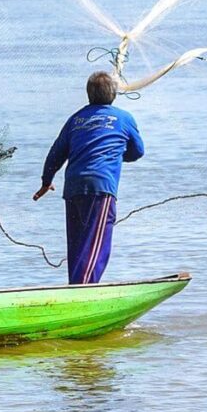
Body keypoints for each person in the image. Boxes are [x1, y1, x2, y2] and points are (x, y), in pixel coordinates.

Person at [33, 71, 144, 284]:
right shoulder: (124, 118)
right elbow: (137, 152)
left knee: (77, 244)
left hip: (73, 187)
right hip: (100, 189)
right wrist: (117, 154)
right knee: (97, 245)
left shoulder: (76, 119)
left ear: (89, 95)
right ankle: (83, 293)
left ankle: (75, 287)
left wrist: (46, 181)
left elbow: (56, 152)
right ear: (113, 94)